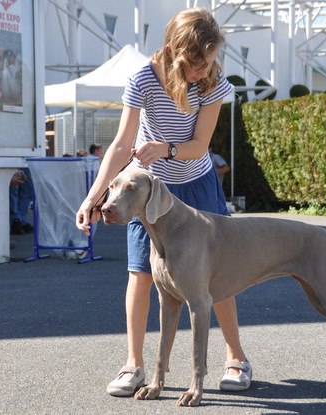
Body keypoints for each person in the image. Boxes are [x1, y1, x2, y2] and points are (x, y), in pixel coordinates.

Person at [75, 8, 252, 397]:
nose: (203, 71)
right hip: (147, 191)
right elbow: (122, 144)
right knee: (140, 273)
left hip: (196, 185)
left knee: (215, 278)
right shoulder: (142, 79)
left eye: (209, 62)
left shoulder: (212, 83)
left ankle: (236, 358)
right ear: (173, 52)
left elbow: (199, 146)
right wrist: (94, 196)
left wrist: (166, 148)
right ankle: (134, 365)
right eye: (196, 64)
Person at [9, 168, 34, 235]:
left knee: (28, 187)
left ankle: (21, 219)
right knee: (14, 187)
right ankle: (15, 220)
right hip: (12, 158)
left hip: (27, 158)